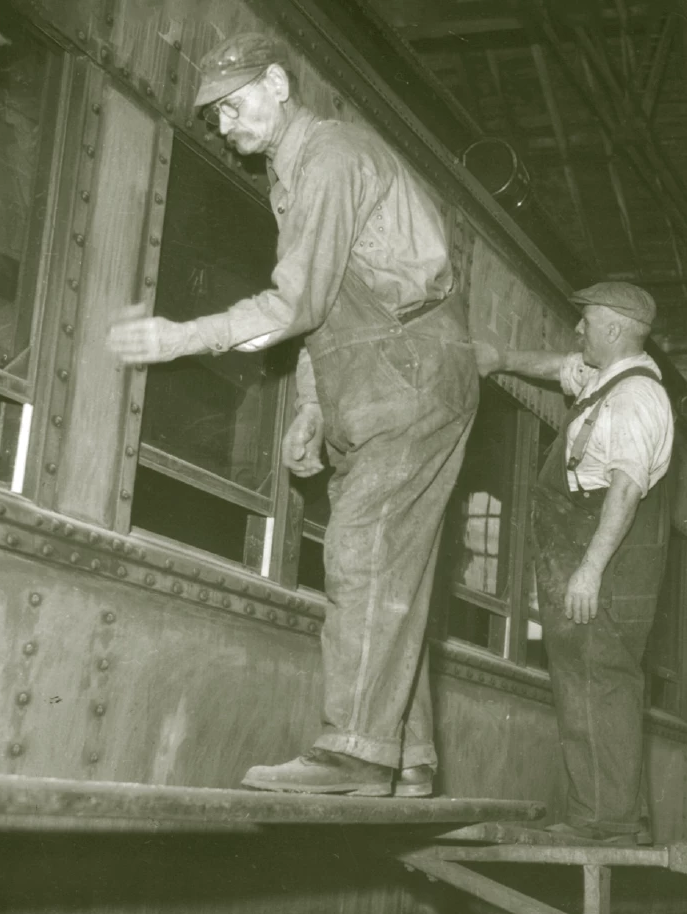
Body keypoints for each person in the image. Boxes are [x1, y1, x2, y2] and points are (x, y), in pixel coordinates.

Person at [108, 32, 478, 797]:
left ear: (278, 83)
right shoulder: (294, 172)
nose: (221, 124)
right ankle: (406, 758)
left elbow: (298, 301)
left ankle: (356, 753)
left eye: (232, 105)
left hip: (406, 369)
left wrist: (185, 336)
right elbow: (328, 311)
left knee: (363, 551)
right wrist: (312, 406)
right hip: (380, 371)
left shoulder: (332, 158)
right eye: (210, 116)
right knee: (387, 560)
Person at [477, 281, 673, 843]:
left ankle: (605, 823)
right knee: (582, 680)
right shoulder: (603, 381)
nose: (577, 330)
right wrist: (501, 360)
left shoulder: (637, 398)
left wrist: (588, 569)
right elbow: (559, 365)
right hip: (589, 554)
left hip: (606, 562)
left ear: (613, 329)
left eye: (585, 322)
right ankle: (603, 817)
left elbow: (627, 488)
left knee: (600, 682)